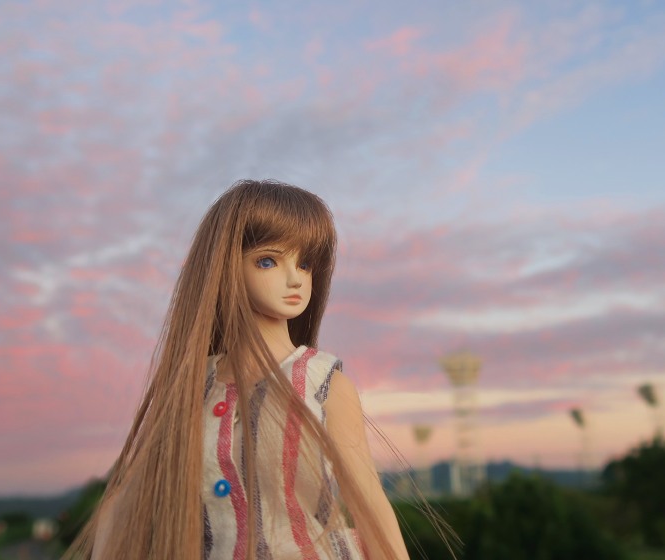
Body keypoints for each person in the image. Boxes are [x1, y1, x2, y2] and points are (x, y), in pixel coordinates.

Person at [64, 180, 411, 560]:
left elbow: (370, 503)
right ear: (227, 267)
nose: (295, 278)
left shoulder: (322, 383)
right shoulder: (191, 387)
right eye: (268, 261)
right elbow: (125, 503)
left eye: (305, 263)